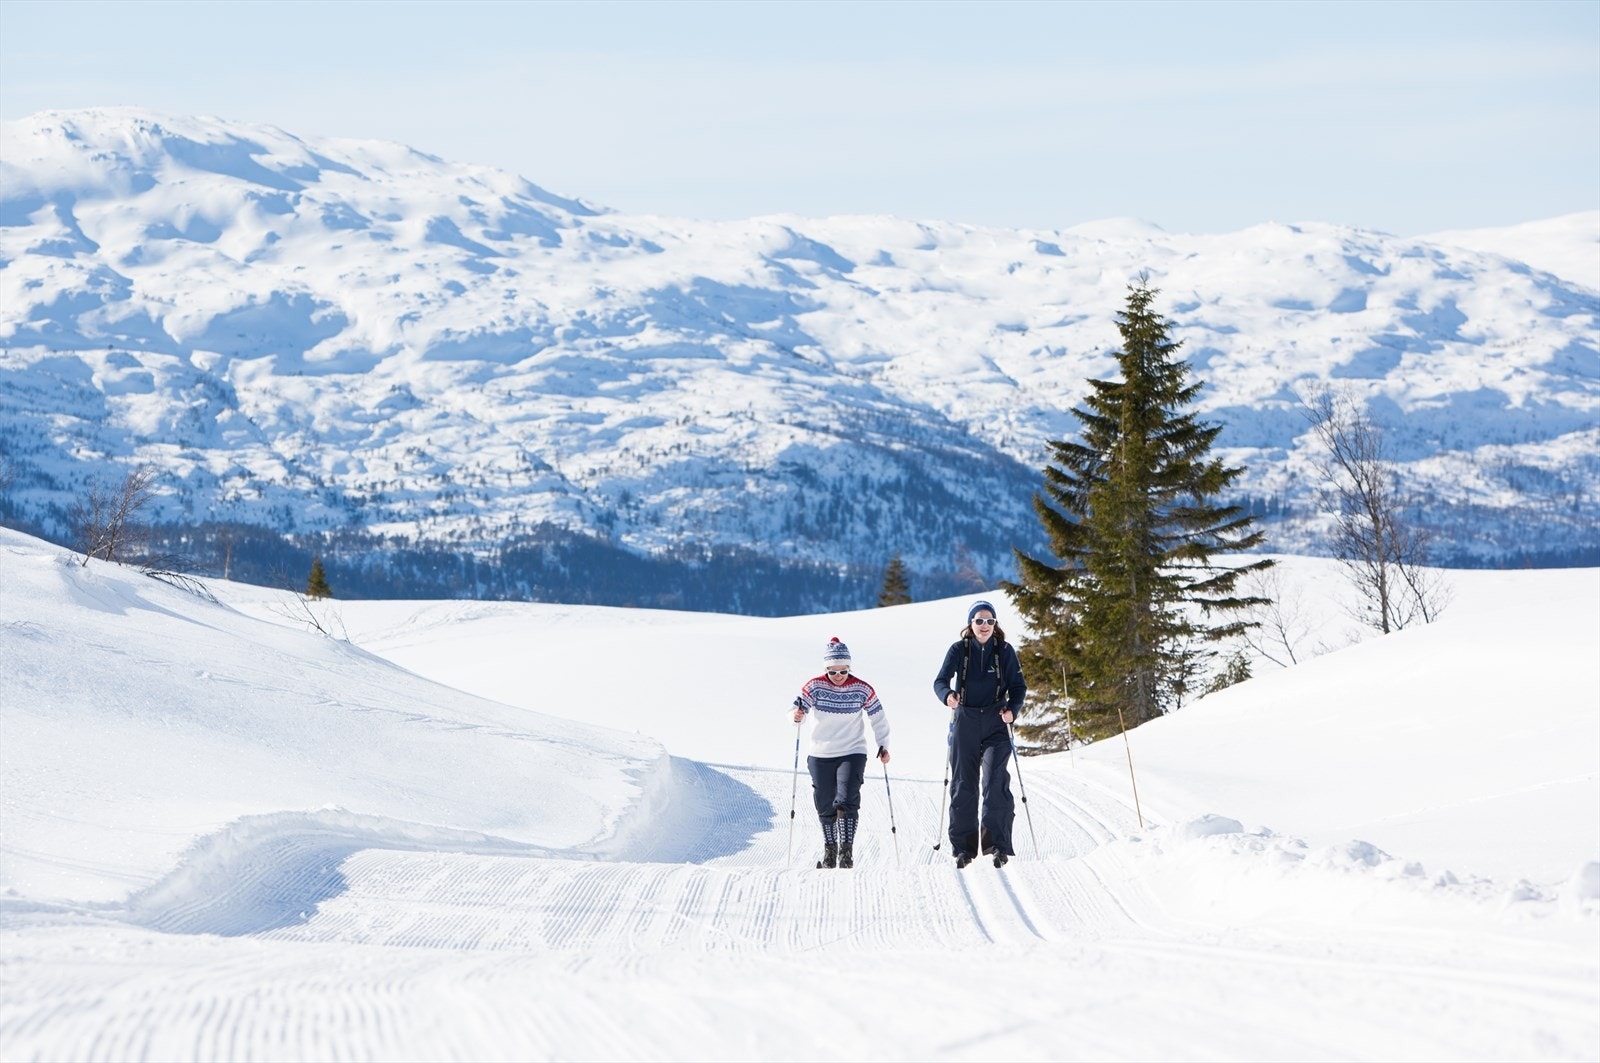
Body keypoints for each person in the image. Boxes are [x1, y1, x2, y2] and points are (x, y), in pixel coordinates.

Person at [932, 599, 1026, 868]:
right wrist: (947, 695)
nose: (984, 626)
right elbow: (940, 681)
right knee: (964, 784)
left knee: (995, 781)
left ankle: (997, 845)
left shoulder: (1005, 651)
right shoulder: (959, 650)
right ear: (970, 623)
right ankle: (963, 849)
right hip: (966, 720)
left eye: (989, 621)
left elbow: (1019, 687)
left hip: (996, 720)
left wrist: (1013, 709)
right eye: (979, 620)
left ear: (995, 625)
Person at [792, 637, 891, 869]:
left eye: (843, 671)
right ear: (825, 670)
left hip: (852, 750)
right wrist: (796, 716)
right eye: (832, 672)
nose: (838, 677)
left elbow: (878, 718)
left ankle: (846, 854)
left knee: (847, 800)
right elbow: (797, 709)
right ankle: (830, 851)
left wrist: (883, 744)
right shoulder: (814, 686)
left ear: (849, 668)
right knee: (824, 803)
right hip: (820, 753)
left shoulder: (862, 688)